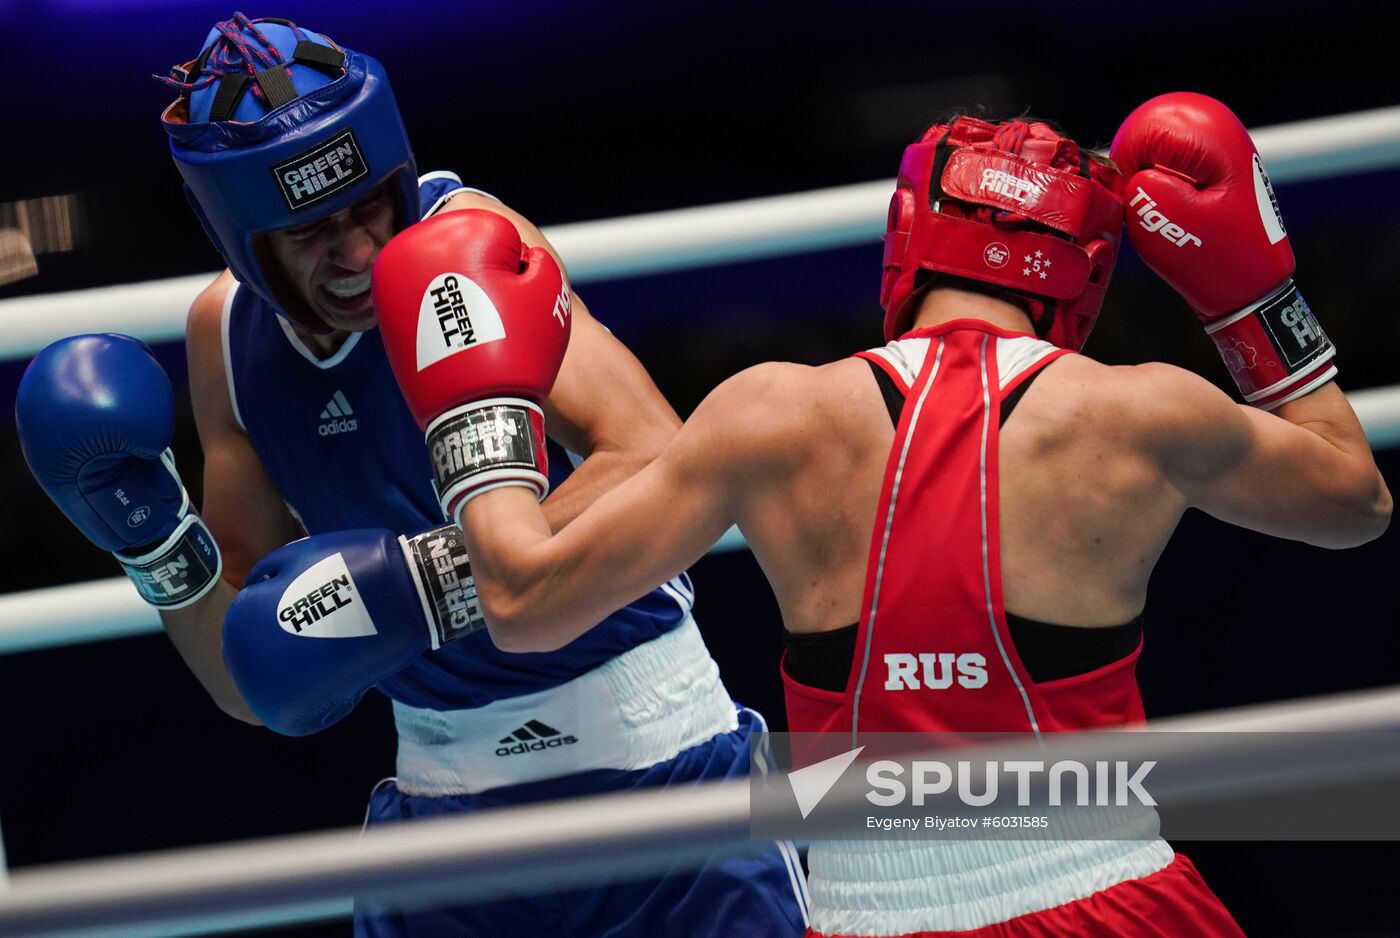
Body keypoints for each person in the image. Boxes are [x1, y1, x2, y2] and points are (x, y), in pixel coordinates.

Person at [366, 94, 1391, 935]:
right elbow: (1354, 501)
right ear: (1078, 277)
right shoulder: (1137, 411)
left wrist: (477, 415)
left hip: (866, 905)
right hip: (1107, 881)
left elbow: (520, 598)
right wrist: (1249, 300)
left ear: (906, 242)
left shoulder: (769, 413)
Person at [14, 13, 807, 937]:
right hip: (445, 813)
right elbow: (252, 678)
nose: (355, 254)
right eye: (310, 231)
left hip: (663, 772)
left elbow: (662, 461)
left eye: (369, 209)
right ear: (242, 239)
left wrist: (428, 585)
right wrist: (156, 544)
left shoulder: (466, 248)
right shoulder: (227, 340)